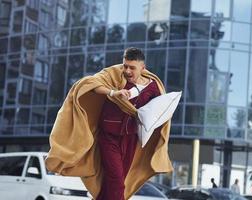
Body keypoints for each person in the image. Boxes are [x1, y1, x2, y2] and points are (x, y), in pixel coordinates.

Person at [45, 47, 173, 200]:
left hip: (131, 139)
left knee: (116, 182)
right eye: (125, 65)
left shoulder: (153, 87)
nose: (127, 70)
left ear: (142, 68)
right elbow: (88, 83)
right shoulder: (114, 74)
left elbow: (158, 111)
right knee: (117, 182)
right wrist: (112, 93)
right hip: (108, 137)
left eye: (132, 67)